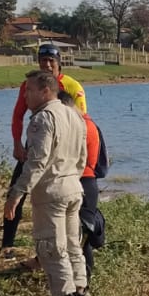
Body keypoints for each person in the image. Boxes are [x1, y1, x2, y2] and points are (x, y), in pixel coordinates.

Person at [4, 71, 89, 296]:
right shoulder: (74, 116)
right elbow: (82, 157)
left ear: (45, 91)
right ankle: (81, 290)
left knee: (52, 248)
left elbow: (37, 162)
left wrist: (17, 193)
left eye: (29, 90)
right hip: (73, 187)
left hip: (52, 191)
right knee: (72, 243)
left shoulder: (43, 119)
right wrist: (72, 177)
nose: (25, 96)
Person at [1, 43, 86, 258]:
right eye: (43, 60)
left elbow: (82, 121)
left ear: (59, 62)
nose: (47, 65)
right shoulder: (29, 85)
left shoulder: (72, 86)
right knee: (16, 189)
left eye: (51, 61)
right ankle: (7, 244)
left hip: (63, 150)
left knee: (66, 200)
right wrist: (17, 144)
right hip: (38, 143)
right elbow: (17, 115)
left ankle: (68, 250)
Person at [59, 90, 107, 285]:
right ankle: (80, 281)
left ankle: (83, 283)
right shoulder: (85, 123)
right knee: (76, 235)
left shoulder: (82, 125)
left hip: (82, 180)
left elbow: (88, 161)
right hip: (86, 182)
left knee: (80, 237)